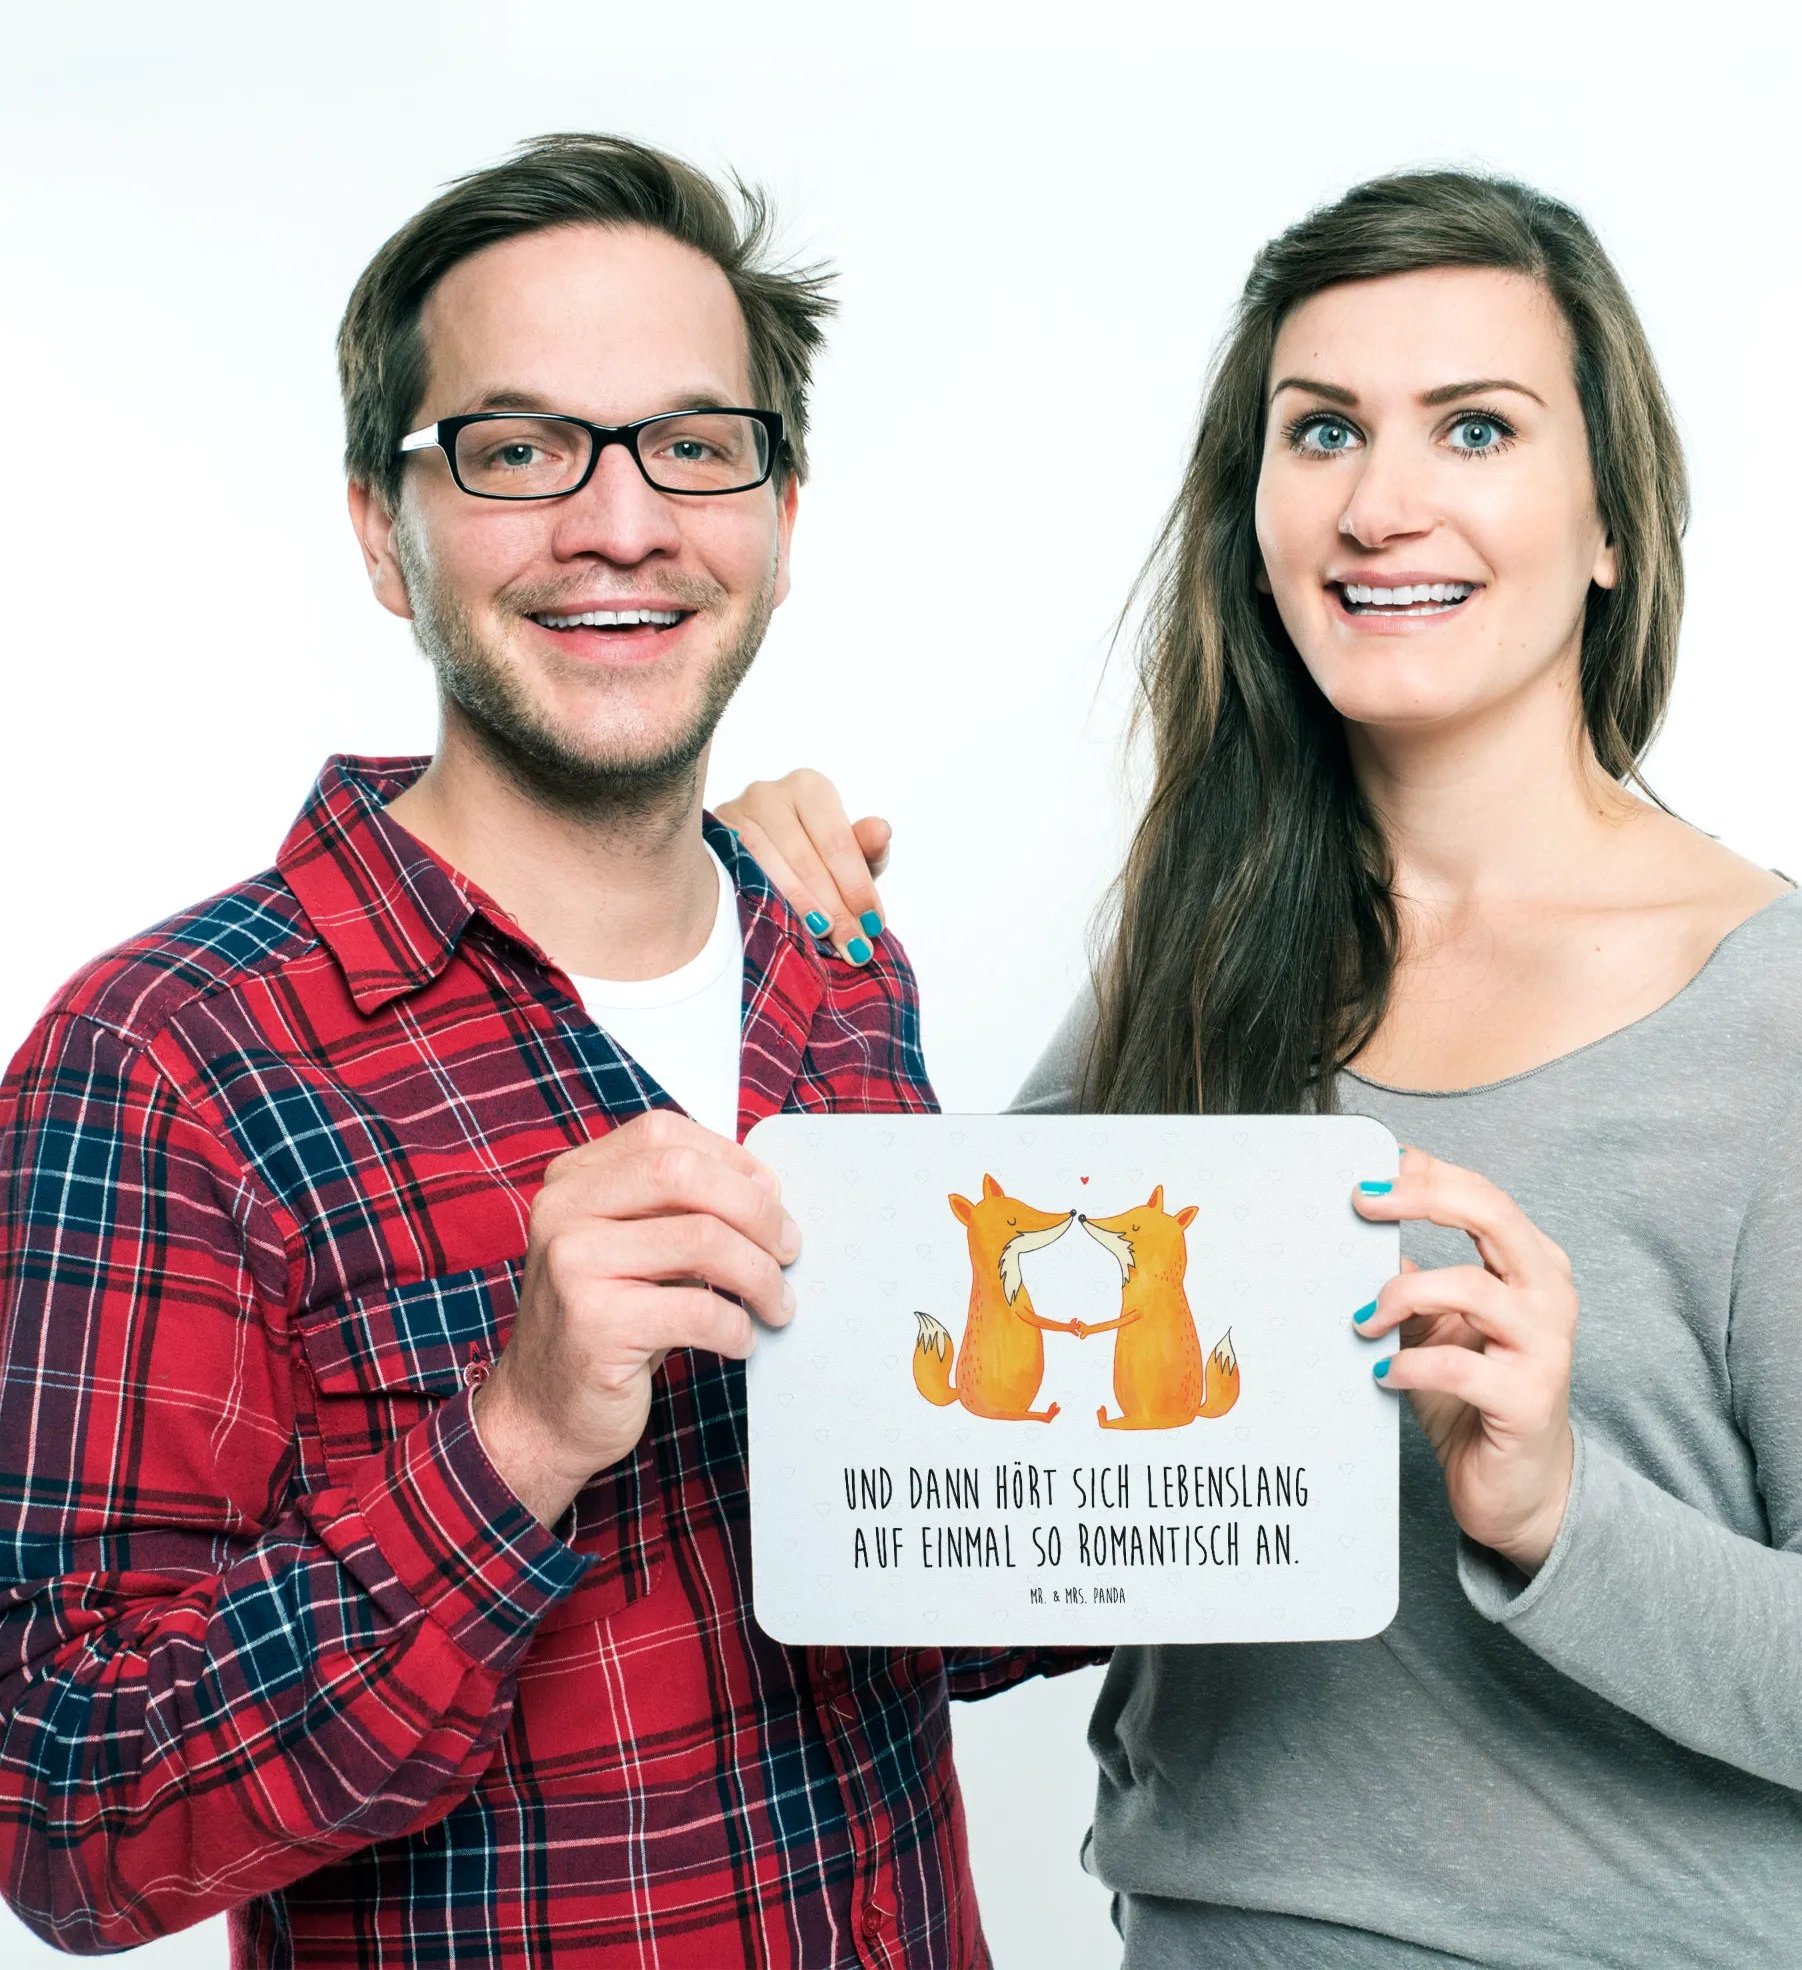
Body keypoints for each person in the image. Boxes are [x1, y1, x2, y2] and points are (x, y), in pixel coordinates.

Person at [716, 169, 1802, 1967]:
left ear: (1611, 522)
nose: (1381, 505)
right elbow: (909, 1419)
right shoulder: (1196, 944)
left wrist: (1557, 1512)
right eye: (1321, 430)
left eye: (1475, 427)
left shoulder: (1798, 1018)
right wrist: (756, 929)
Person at [0, 133, 1091, 1966]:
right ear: (385, 531)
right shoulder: (166, 1063)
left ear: (780, 517)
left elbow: (917, 1613)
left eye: (694, 445)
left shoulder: (837, 969)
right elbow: (69, 1821)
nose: (623, 523)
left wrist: (1238, 1432)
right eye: (518, 452)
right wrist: (512, 1441)